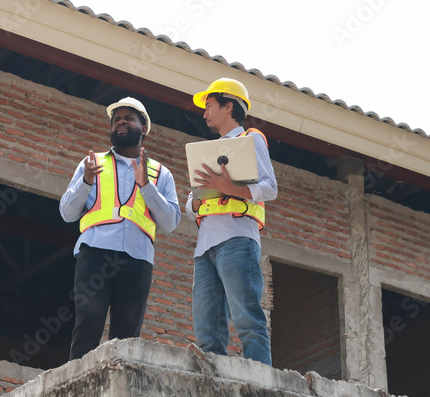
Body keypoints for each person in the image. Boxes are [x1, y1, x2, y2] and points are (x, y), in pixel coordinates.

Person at [59, 97, 181, 360]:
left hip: (137, 260)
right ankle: (79, 381)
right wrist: (86, 181)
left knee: (126, 337)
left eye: (128, 118)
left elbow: (171, 222)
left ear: (143, 128)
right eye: (116, 119)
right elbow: (67, 213)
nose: (121, 122)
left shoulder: (160, 173)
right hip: (95, 253)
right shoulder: (92, 163)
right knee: (88, 322)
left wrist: (147, 186)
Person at [185, 78, 277, 366]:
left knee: (247, 318)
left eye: (209, 106)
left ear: (228, 106)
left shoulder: (250, 139)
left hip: (237, 239)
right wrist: (196, 200)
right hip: (205, 248)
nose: (204, 113)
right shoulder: (208, 152)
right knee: (207, 330)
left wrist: (229, 187)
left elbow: (270, 188)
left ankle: (262, 381)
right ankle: (214, 383)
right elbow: (190, 206)